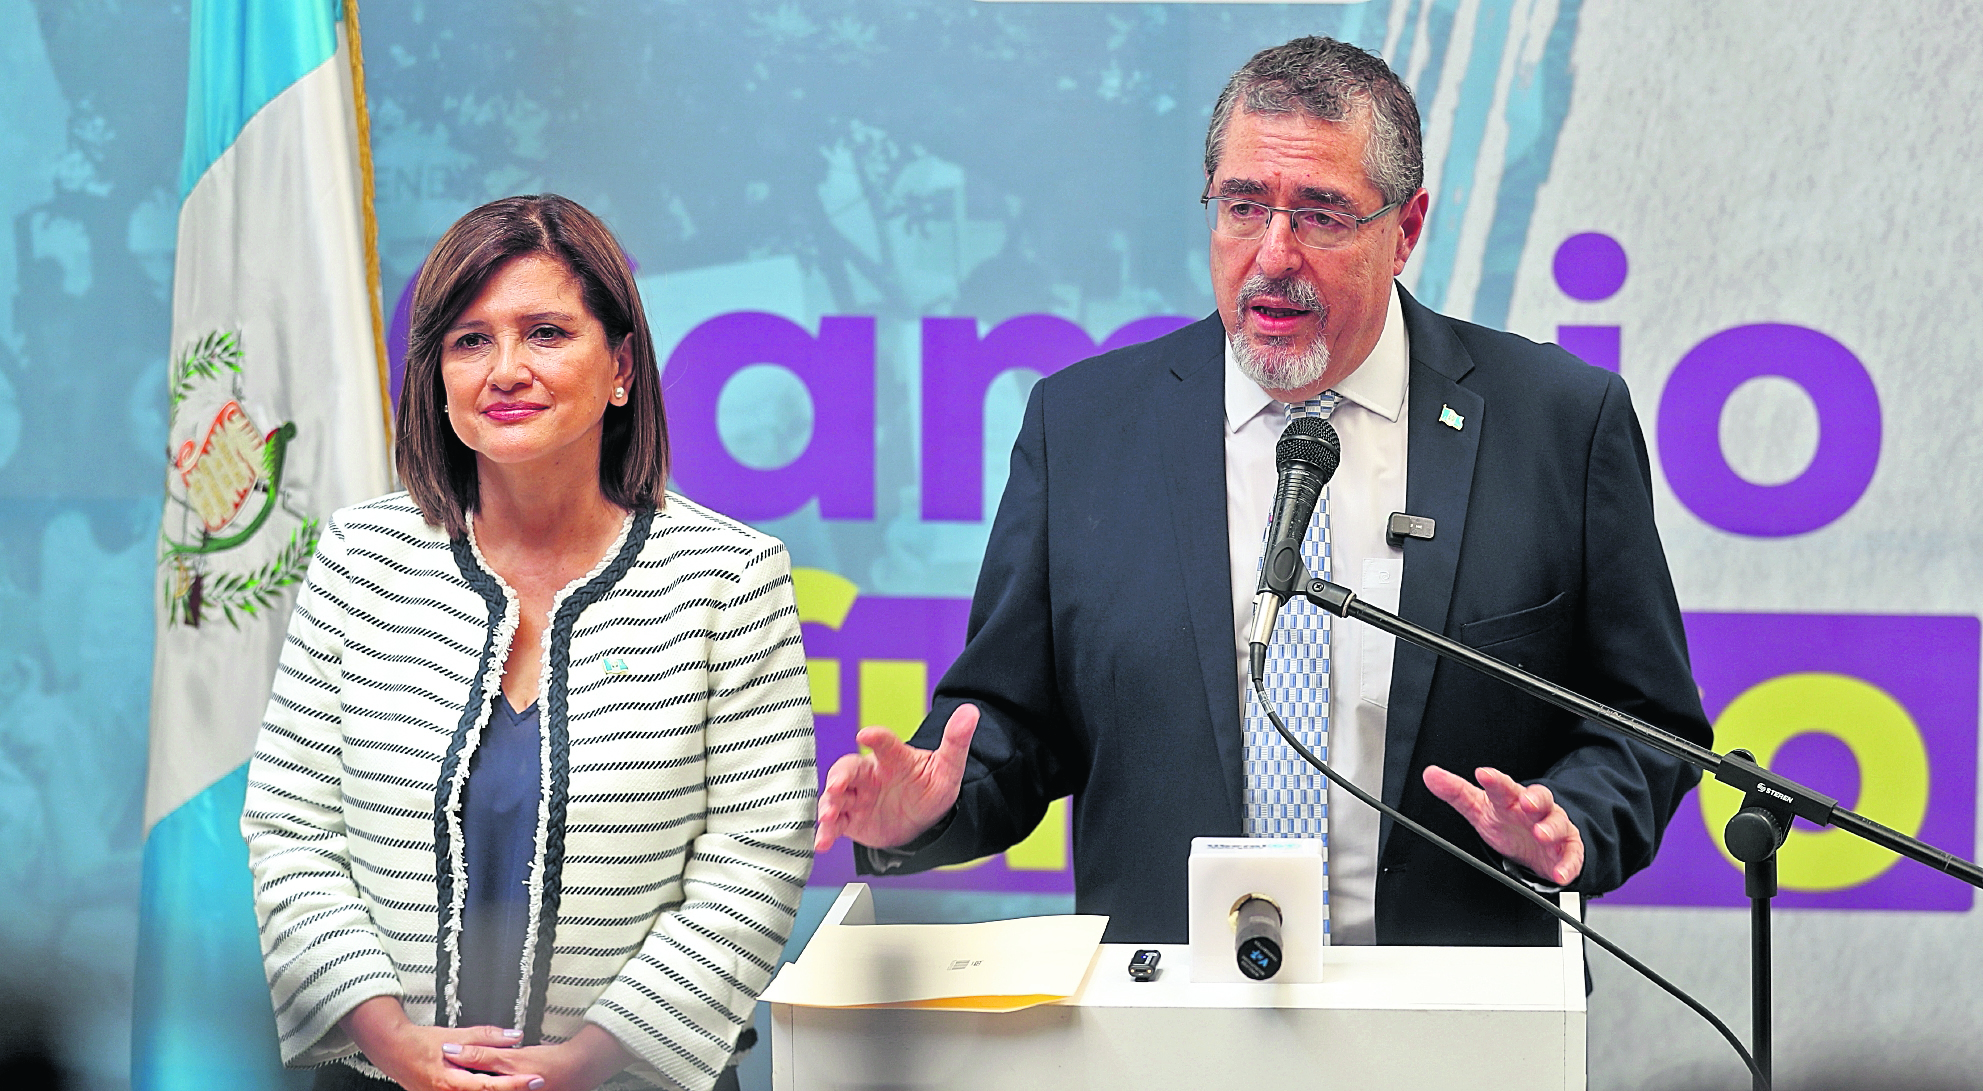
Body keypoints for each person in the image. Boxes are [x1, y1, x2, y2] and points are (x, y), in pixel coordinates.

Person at [814, 37, 1712, 947]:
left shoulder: (1557, 423)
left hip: (1452, 1013)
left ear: (1404, 230)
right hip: (1168, 1026)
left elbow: (1649, 724)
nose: (1272, 254)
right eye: (1244, 207)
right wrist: (924, 811)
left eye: (1320, 215)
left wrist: (1574, 818)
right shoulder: (1082, 429)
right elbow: (1010, 723)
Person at [242, 195, 815, 1091]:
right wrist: (395, 1043)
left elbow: (754, 858)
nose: (505, 369)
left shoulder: (729, 576)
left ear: (620, 366)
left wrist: (585, 1062)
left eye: (545, 332)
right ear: (436, 375)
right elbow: (291, 833)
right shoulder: (358, 558)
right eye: (470, 340)